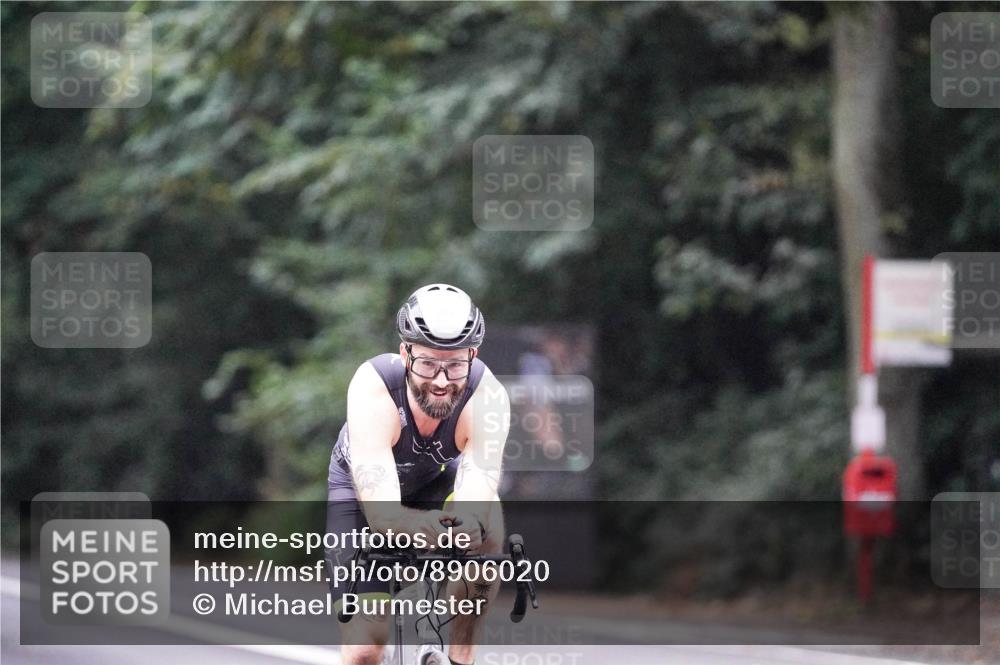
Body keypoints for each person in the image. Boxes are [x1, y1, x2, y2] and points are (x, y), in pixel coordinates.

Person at [326, 284, 509, 665]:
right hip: (363, 498)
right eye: (428, 363)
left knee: (489, 519)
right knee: (364, 651)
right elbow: (382, 515)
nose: (441, 381)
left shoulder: (487, 397)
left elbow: (477, 487)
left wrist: (468, 526)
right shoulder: (374, 387)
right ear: (405, 353)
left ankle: (461, 656)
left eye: (456, 365)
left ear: (472, 356)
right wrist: (426, 527)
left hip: (437, 487)